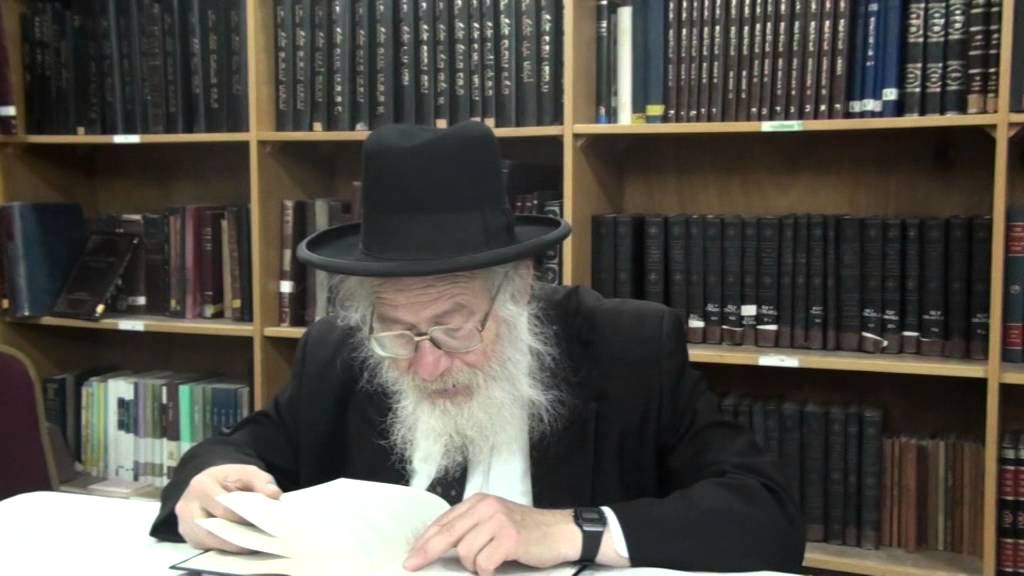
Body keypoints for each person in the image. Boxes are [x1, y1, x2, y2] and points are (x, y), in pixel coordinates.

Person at [149, 122, 804, 575]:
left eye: (454, 328)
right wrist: (208, 483)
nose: (426, 364)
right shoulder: (340, 351)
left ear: (517, 288)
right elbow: (232, 453)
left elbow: (765, 514)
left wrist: (574, 529)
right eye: (398, 331)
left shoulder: (627, 347)